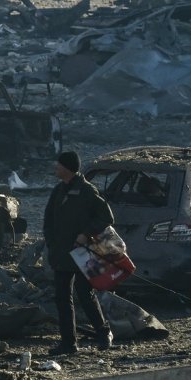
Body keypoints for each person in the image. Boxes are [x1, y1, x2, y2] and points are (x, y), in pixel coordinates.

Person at [43, 151, 114, 355]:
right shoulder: (58, 191)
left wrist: (85, 233)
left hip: (83, 253)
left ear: (67, 168)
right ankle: (68, 343)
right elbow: (48, 221)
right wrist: (52, 243)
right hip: (61, 254)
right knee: (63, 299)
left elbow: (106, 217)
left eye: (58, 165)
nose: (55, 168)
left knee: (84, 294)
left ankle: (103, 333)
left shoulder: (87, 191)